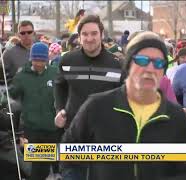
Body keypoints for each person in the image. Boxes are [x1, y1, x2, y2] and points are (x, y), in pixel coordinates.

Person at [62, 31, 186, 180]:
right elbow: (68, 154)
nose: (150, 69)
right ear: (128, 65)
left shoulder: (175, 117)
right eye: (142, 60)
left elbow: (184, 170)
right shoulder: (97, 107)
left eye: (159, 63)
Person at [54, 14, 123, 180]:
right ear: (79, 37)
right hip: (73, 136)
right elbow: (59, 85)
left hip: (105, 140)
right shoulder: (67, 60)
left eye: (94, 33)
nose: (89, 38)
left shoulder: (116, 64)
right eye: (85, 34)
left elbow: (124, 95)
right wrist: (60, 109)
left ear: (101, 34)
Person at [9, 42, 62, 180]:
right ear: (31, 59)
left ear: (47, 59)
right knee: (35, 169)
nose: (39, 63)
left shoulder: (54, 73)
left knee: (50, 166)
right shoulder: (22, 75)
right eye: (36, 60)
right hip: (31, 129)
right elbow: (12, 94)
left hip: (51, 128)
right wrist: (13, 83)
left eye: (42, 60)